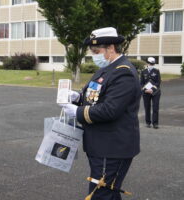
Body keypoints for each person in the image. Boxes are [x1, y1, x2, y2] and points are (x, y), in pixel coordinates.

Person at [60, 27, 141, 200]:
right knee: (107, 193)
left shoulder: (123, 72)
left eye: (96, 51)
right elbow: (95, 96)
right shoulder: (108, 68)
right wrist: (77, 97)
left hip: (112, 148)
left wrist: (77, 112)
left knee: (101, 194)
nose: (94, 56)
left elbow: (110, 110)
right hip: (102, 145)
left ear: (111, 48)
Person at [140, 57, 161, 129]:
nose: (151, 65)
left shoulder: (157, 71)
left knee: (155, 107)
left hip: (155, 92)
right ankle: (148, 122)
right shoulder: (143, 71)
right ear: (147, 63)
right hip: (146, 92)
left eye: (153, 64)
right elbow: (141, 83)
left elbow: (158, 82)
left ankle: (155, 123)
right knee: (147, 107)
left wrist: (152, 89)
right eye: (150, 63)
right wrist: (145, 90)